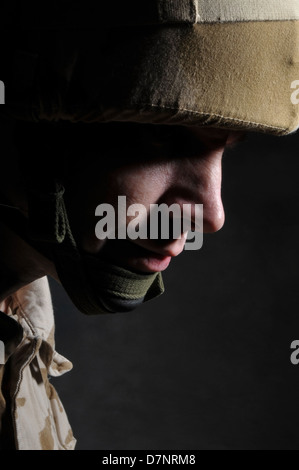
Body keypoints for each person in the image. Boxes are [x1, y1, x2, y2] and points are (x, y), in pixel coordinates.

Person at [0, 0, 299, 450]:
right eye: (165, 137)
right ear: (32, 128)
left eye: (226, 149)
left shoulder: (21, 325)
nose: (212, 214)